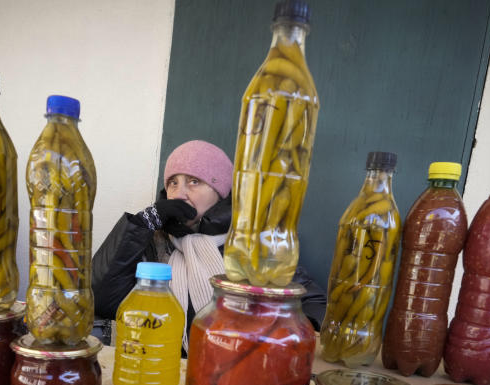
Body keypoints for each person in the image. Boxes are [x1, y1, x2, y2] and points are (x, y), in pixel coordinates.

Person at [92, 140, 326, 348]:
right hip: (160, 367)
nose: (180, 193)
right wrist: (142, 224)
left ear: (221, 193)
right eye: (173, 183)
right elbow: (101, 300)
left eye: (194, 181)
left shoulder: (251, 245)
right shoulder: (151, 238)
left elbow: (312, 302)